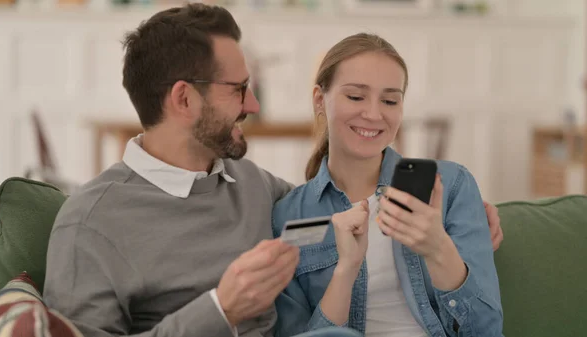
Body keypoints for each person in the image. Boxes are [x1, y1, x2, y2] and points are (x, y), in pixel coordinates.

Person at [42, 4, 502, 337]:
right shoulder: (91, 223)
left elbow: (331, 206)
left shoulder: (255, 188)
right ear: (184, 99)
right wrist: (220, 309)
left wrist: (464, 221)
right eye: (239, 90)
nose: (254, 105)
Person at [271, 33, 503, 337]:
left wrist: (437, 249)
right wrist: (347, 269)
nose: (373, 114)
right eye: (355, 96)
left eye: (390, 100)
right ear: (319, 99)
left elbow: (485, 331)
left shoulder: (451, 187)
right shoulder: (290, 216)